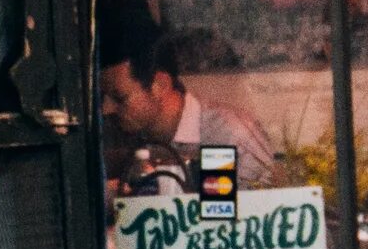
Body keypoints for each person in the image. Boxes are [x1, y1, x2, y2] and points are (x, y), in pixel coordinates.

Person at [99, 32, 277, 193]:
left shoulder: (228, 136)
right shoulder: (123, 135)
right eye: (103, 98)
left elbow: (249, 216)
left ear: (160, 85)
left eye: (119, 98)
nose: (108, 108)